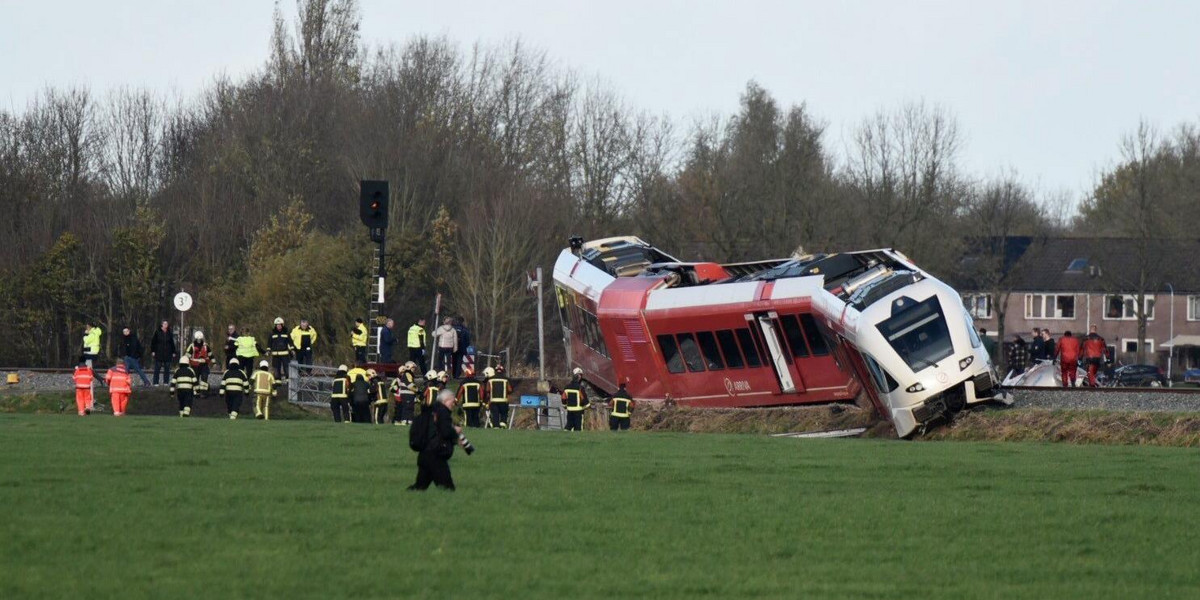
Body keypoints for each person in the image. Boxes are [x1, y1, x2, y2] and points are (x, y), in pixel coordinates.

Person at [408, 389, 463, 491]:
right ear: (445, 400)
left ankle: (405, 499)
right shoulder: (443, 412)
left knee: (419, 488)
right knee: (448, 490)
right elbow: (446, 432)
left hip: (424, 454)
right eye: (452, 401)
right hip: (436, 456)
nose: (453, 404)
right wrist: (456, 431)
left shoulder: (431, 411)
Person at [186, 331, 214, 395]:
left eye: (200, 339)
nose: (199, 340)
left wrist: (214, 362)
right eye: (198, 339)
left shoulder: (206, 346)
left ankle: (204, 392)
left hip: (204, 365)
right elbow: (187, 355)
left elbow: (210, 354)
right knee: (195, 380)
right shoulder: (192, 346)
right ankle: (196, 392)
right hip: (195, 365)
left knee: (204, 380)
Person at [150, 320, 176, 386]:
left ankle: (166, 382)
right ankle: (156, 382)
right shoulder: (157, 332)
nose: (165, 325)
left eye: (166, 324)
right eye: (164, 324)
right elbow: (153, 342)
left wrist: (173, 352)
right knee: (157, 368)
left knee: (167, 369)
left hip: (168, 353)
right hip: (159, 353)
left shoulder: (169, 333)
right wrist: (153, 351)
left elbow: (172, 343)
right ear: (162, 325)